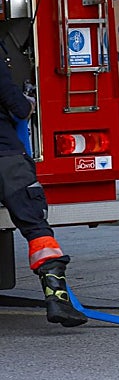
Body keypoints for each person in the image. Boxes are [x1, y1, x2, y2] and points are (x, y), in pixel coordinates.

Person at [0, 53, 87, 326]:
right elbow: (15, 105)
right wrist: (28, 105)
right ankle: (58, 300)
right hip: (6, 159)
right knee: (37, 230)